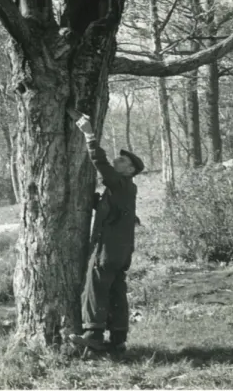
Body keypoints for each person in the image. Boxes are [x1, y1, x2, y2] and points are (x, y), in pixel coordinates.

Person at [67, 107, 144, 354]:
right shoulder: (125, 189)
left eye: (123, 161)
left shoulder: (120, 183)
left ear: (130, 170)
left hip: (108, 248)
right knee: (116, 290)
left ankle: (93, 334)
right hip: (121, 250)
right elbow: (108, 209)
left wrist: (89, 133)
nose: (117, 160)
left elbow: (99, 161)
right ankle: (118, 339)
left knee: (95, 287)